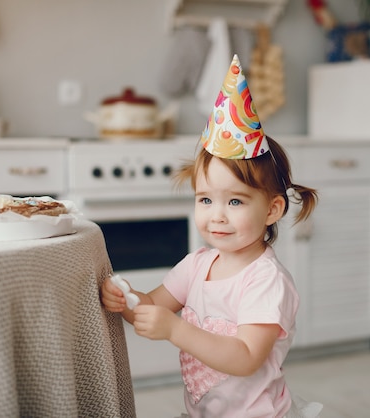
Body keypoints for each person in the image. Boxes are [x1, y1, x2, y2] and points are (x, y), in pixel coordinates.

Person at [101, 54, 322, 418]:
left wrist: (175, 329)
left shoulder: (266, 281)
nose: (216, 215)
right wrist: (126, 299)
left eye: (235, 200)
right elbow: (153, 308)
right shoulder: (197, 265)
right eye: (205, 199)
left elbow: (247, 357)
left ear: (272, 210)